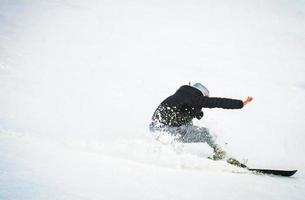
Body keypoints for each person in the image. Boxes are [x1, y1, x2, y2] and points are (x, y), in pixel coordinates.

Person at [150, 83, 253, 162]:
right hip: (169, 130)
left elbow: (180, 109)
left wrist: (196, 113)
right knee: (206, 133)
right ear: (202, 94)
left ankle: (165, 150)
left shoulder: (180, 95)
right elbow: (217, 102)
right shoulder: (196, 98)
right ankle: (221, 155)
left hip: (155, 127)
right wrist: (240, 104)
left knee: (188, 124)